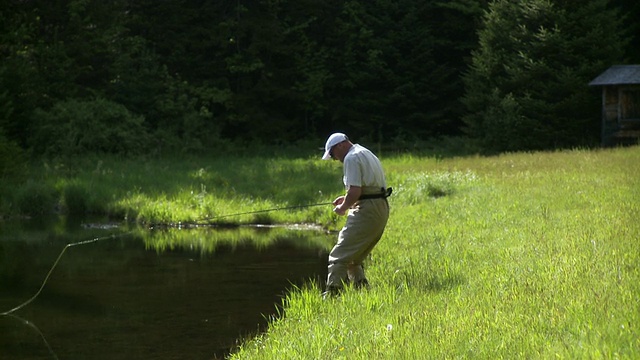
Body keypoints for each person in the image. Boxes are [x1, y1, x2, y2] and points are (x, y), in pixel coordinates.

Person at [321, 133, 391, 297]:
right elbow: (365, 189)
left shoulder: (351, 158)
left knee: (338, 255)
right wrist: (346, 198)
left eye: (332, 154)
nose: (334, 158)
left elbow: (355, 191)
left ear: (340, 146)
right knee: (354, 258)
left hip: (367, 210)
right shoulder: (365, 152)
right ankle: (362, 290)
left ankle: (332, 294)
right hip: (380, 207)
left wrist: (343, 207)